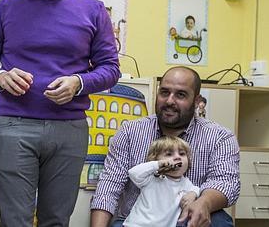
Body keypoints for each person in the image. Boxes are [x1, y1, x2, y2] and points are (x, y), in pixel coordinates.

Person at [0, 0, 120, 227]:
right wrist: (0, 77)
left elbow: (110, 68)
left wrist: (80, 83)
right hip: (14, 126)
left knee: (56, 220)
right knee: (15, 220)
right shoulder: (6, 8)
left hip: (69, 130)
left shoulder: (93, 11)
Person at [90, 66, 240, 227]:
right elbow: (109, 186)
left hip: (187, 218)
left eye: (180, 95)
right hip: (137, 220)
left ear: (196, 101)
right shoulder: (130, 131)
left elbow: (226, 183)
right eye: (164, 92)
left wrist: (204, 202)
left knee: (219, 221)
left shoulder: (220, 137)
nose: (169, 101)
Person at [123, 136, 200, 227]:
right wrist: (157, 164)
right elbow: (133, 173)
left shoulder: (186, 183)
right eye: (169, 154)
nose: (177, 157)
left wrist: (193, 193)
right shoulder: (152, 177)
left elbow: (198, 189)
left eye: (182, 154)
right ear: (155, 159)